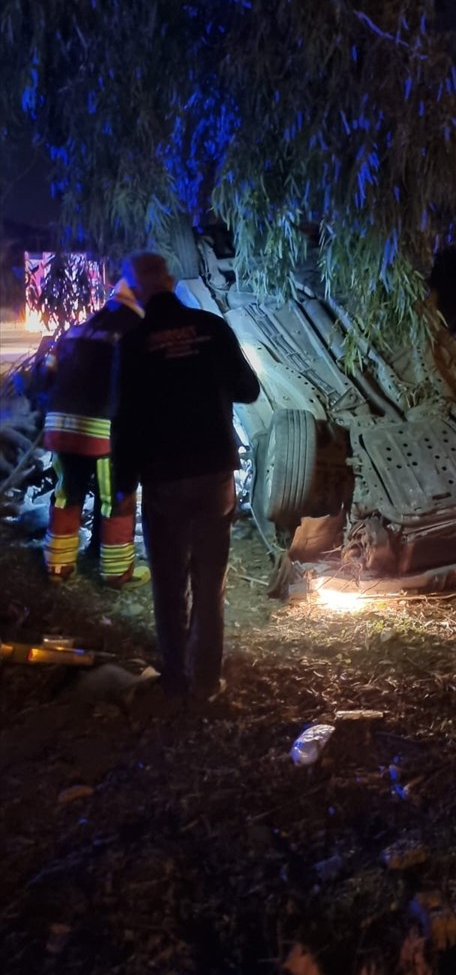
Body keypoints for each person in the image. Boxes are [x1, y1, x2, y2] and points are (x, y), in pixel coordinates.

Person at [112, 251, 260, 701]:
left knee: (169, 580)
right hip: (214, 472)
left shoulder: (134, 343)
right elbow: (248, 389)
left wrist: (123, 486)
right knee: (210, 580)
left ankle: (176, 678)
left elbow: (125, 422)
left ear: (135, 291)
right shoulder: (212, 328)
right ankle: (206, 681)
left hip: (164, 477)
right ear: (171, 280)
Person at [43, 276, 149, 587]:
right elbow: (139, 386)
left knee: (66, 492)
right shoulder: (136, 330)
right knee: (116, 496)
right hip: (103, 431)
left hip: (59, 427)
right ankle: (117, 572)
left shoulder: (77, 329)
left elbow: (48, 375)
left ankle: (58, 566)